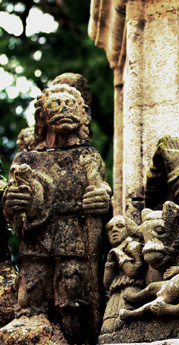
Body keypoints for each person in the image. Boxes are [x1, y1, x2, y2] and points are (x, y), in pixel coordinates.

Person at [2, 84, 111, 343]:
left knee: (75, 308)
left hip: (75, 244)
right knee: (29, 302)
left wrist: (102, 200)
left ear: (83, 115)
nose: (63, 109)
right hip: (35, 245)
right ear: (43, 116)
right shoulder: (25, 159)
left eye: (70, 104)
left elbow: (101, 197)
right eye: (55, 104)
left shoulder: (89, 156)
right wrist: (13, 202)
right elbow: (12, 211)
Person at [102, 215, 145, 334]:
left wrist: (119, 254)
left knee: (126, 326)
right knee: (107, 328)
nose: (114, 230)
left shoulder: (134, 246)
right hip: (115, 294)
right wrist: (110, 261)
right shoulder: (114, 251)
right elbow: (107, 283)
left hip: (131, 290)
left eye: (119, 226)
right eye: (109, 229)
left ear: (129, 228)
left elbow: (133, 272)